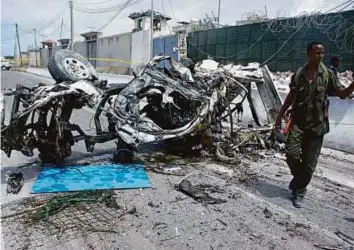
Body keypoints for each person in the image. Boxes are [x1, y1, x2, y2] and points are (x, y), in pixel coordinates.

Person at [275, 41, 354, 208]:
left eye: (322, 53)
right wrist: (280, 114)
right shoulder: (298, 74)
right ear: (308, 54)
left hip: (317, 126)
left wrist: (353, 85)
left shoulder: (327, 75)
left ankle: (299, 190)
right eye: (317, 53)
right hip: (298, 123)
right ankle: (299, 180)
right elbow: (291, 95)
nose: (320, 56)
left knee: (309, 165)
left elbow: (342, 93)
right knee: (291, 154)